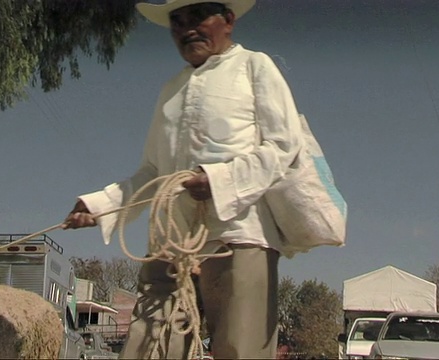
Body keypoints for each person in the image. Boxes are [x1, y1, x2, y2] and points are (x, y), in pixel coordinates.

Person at [63, 0, 303, 358]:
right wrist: (100, 204)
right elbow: (153, 172)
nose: (187, 28)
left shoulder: (255, 67)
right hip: (170, 243)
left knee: (241, 349)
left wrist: (218, 180)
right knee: (149, 346)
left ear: (229, 20)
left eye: (198, 16)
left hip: (239, 236)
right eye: (177, 20)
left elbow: (283, 146)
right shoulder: (171, 92)